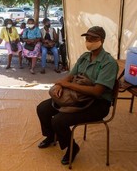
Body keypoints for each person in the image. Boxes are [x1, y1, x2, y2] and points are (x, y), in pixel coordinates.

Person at [36, 26, 118, 165]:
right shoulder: (85, 57)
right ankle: (51, 137)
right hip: (76, 97)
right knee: (42, 108)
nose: (89, 41)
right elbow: (70, 76)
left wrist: (68, 85)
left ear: (102, 40)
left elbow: (97, 92)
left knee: (58, 121)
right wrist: (60, 85)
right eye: (87, 38)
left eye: (93, 38)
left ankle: (73, 148)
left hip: (97, 104)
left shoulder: (108, 63)